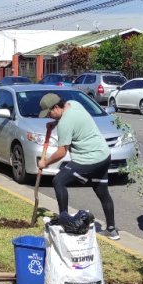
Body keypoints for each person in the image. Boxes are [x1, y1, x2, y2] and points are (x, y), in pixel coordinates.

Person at [36, 92, 120, 241]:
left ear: (56, 107)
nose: (49, 116)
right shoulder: (74, 104)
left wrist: (45, 163)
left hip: (89, 158)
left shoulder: (65, 123)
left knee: (59, 181)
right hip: (104, 154)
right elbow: (76, 121)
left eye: (50, 113)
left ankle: (64, 221)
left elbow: (62, 152)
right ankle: (112, 230)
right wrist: (54, 124)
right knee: (101, 190)